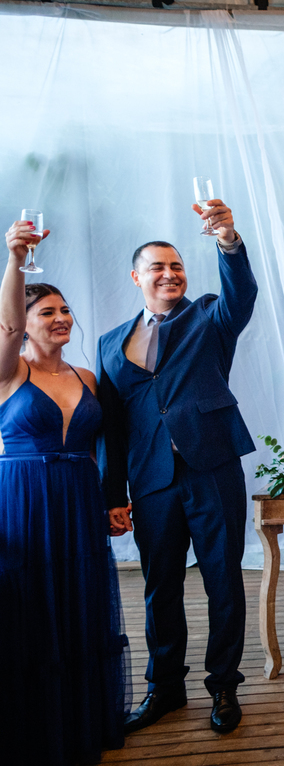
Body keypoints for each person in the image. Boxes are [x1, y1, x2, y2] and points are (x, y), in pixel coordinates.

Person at [97, 199, 257, 735]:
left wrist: (227, 241)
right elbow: (113, 427)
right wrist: (112, 494)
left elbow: (243, 296)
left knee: (222, 582)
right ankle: (164, 688)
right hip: (150, 483)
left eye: (177, 266)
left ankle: (223, 687)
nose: (170, 274)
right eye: (158, 267)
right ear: (136, 276)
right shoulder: (109, 344)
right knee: (159, 587)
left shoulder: (211, 315)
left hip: (211, 468)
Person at [0, 220, 130, 764]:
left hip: (78, 500)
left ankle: (79, 720)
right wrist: (15, 257)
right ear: (26, 325)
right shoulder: (9, 374)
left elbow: (107, 446)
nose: (61, 319)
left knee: (78, 605)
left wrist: (112, 500)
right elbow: (4, 330)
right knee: (29, 607)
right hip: (25, 500)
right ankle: (30, 729)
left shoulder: (87, 376)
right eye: (47, 312)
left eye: (65, 310)